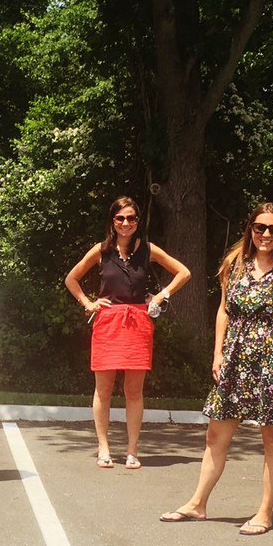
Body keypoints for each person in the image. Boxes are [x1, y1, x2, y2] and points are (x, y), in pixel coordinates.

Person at [160, 201, 273, 533]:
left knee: (271, 438)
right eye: (260, 228)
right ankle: (198, 504)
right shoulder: (235, 263)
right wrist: (218, 353)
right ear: (250, 230)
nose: (266, 234)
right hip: (236, 358)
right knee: (216, 434)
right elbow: (224, 311)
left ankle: (265, 512)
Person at [64, 195, 191, 468]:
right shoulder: (101, 251)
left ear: (138, 221)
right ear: (113, 221)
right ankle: (104, 448)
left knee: (134, 391)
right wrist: (88, 302)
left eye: (131, 218)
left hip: (138, 322)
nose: (126, 223)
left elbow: (183, 272)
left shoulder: (148, 249)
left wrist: (161, 296)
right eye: (120, 218)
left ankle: (132, 451)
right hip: (107, 323)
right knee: (104, 390)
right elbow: (71, 278)